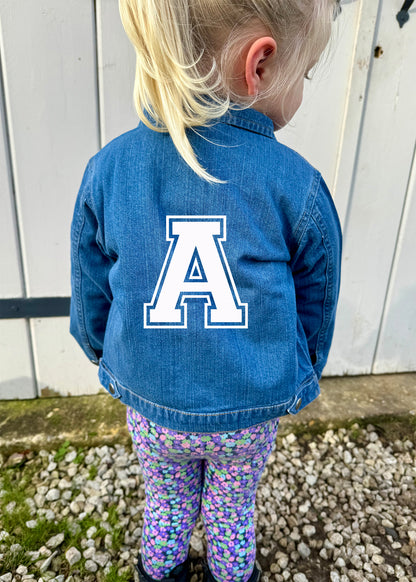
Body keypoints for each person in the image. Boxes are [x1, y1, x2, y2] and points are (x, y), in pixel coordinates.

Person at [70, 1, 342, 581]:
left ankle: (159, 573)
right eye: (308, 71)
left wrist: (111, 355)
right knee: (231, 511)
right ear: (261, 65)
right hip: (247, 416)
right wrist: (297, 369)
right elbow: (315, 302)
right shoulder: (296, 184)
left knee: (166, 506)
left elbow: (92, 293)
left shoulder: (109, 169)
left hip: (153, 410)